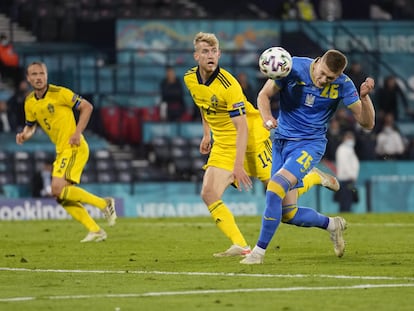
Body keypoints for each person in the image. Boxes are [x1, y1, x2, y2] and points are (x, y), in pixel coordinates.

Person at [183, 32, 340, 257]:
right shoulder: (190, 78)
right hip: (223, 144)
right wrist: (206, 134)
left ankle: (314, 176)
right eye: (204, 51)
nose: (210, 55)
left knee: (282, 199)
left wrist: (239, 166)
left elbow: (242, 128)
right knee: (209, 193)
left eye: (213, 51)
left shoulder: (229, 86)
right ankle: (242, 246)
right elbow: (203, 104)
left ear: (219, 54)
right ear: (196, 55)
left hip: (252, 141)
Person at [242, 49, 375, 264]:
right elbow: (264, 95)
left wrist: (365, 98)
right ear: (318, 61)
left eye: (330, 78)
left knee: (274, 187)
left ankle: (258, 253)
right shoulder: (292, 67)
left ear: (338, 76)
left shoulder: (344, 85)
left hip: (310, 145)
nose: (323, 80)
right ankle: (333, 225)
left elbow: (368, 123)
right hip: (281, 142)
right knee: (289, 214)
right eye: (322, 74)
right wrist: (267, 118)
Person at [16, 61, 117, 242]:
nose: (38, 77)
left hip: (74, 147)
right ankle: (95, 230)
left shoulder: (60, 93)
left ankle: (104, 204)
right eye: (34, 74)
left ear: (46, 75)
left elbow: (87, 107)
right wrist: (25, 134)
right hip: (61, 150)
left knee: (57, 188)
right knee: (61, 196)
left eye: (41, 74)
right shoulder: (30, 102)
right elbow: (30, 126)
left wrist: (77, 132)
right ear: (28, 78)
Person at [335, 131, 360, 212]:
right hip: (345, 179)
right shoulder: (342, 149)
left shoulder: (350, 149)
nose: (351, 140)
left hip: (349, 179)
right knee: (345, 201)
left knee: (349, 200)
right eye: (349, 138)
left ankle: (346, 214)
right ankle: (343, 216)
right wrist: (351, 175)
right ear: (344, 139)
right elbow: (344, 163)